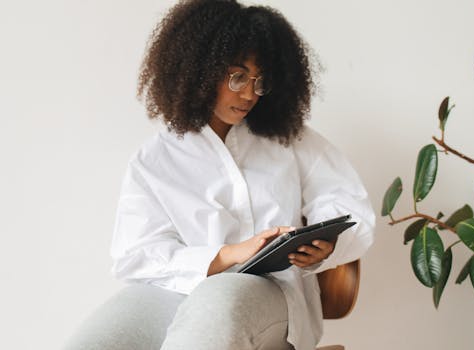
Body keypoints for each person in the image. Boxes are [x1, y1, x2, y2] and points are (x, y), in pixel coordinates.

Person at [63, 0, 375, 349]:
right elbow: (135, 255)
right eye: (238, 76)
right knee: (97, 341)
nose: (249, 94)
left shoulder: (290, 140)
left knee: (216, 308)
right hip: (179, 290)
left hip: (270, 293)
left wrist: (325, 245)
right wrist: (228, 254)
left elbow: (349, 207)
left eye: (259, 81)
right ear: (198, 70)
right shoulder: (155, 159)